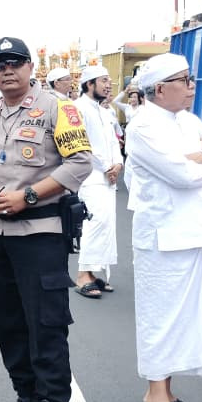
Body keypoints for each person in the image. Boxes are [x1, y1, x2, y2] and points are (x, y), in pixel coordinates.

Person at [0, 37, 93, 402]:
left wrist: (30, 197)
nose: (8, 70)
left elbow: (80, 163)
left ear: (30, 67)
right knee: (7, 321)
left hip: (40, 233)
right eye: (0, 64)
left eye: (16, 62)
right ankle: (26, 398)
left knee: (47, 325)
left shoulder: (59, 108)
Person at [125, 53, 202, 402]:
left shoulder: (188, 120)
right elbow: (182, 176)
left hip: (197, 233)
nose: (192, 85)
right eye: (184, 79)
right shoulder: (143, 126)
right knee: (161, 318)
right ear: (160, 89)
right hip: (164, 238)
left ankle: (165, 393)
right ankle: (155, 401)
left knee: (188, 317)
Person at [72, 65, 124, 298]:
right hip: (90, 176)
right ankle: (83, 275)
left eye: (108, 80)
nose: (108, 84)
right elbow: (81, 145)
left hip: (107, 176)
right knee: (94, 223)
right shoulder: (77, 109)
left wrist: (118, 164)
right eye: (103, 80)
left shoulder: (105, 111)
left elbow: (114, 143)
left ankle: (93, 273)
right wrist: (106, 168)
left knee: (107, 225)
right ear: (89, 84)